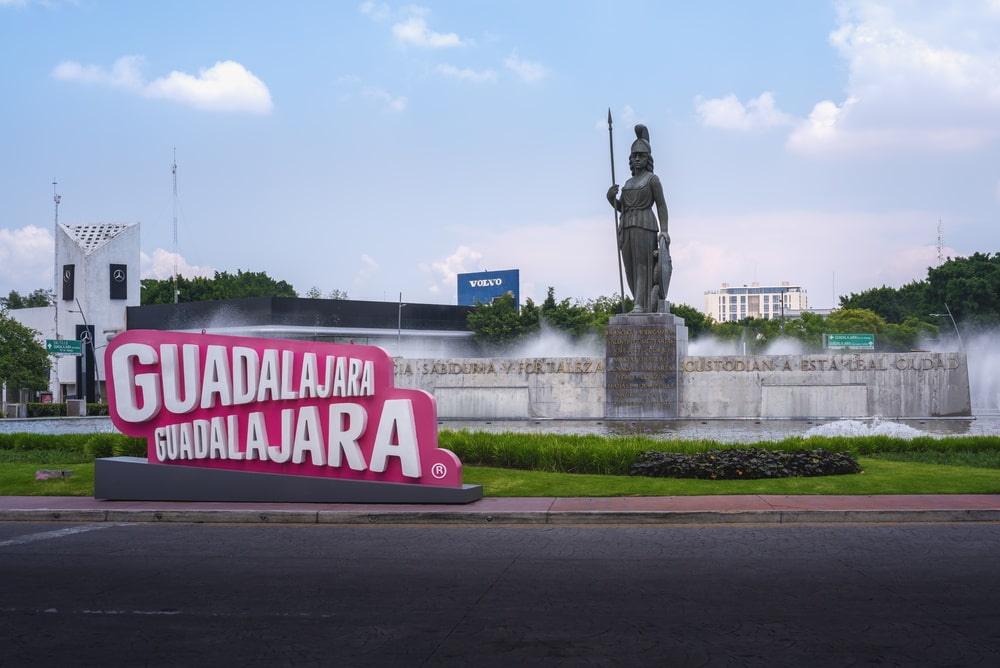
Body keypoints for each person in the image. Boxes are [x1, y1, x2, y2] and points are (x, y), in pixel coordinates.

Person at [606, 124, 671, 313]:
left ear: (647, 158)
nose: (636, 159)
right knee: (630, 268)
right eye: (634, 156)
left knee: (642, 265)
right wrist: (611, 199)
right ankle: (637, 300)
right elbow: (622, 208)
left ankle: (640, 305)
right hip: (626, 226)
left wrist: (665, 230)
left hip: (645, 224)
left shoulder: (652, 179)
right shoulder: (628, 183)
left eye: (641, 156)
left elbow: (661, 205)